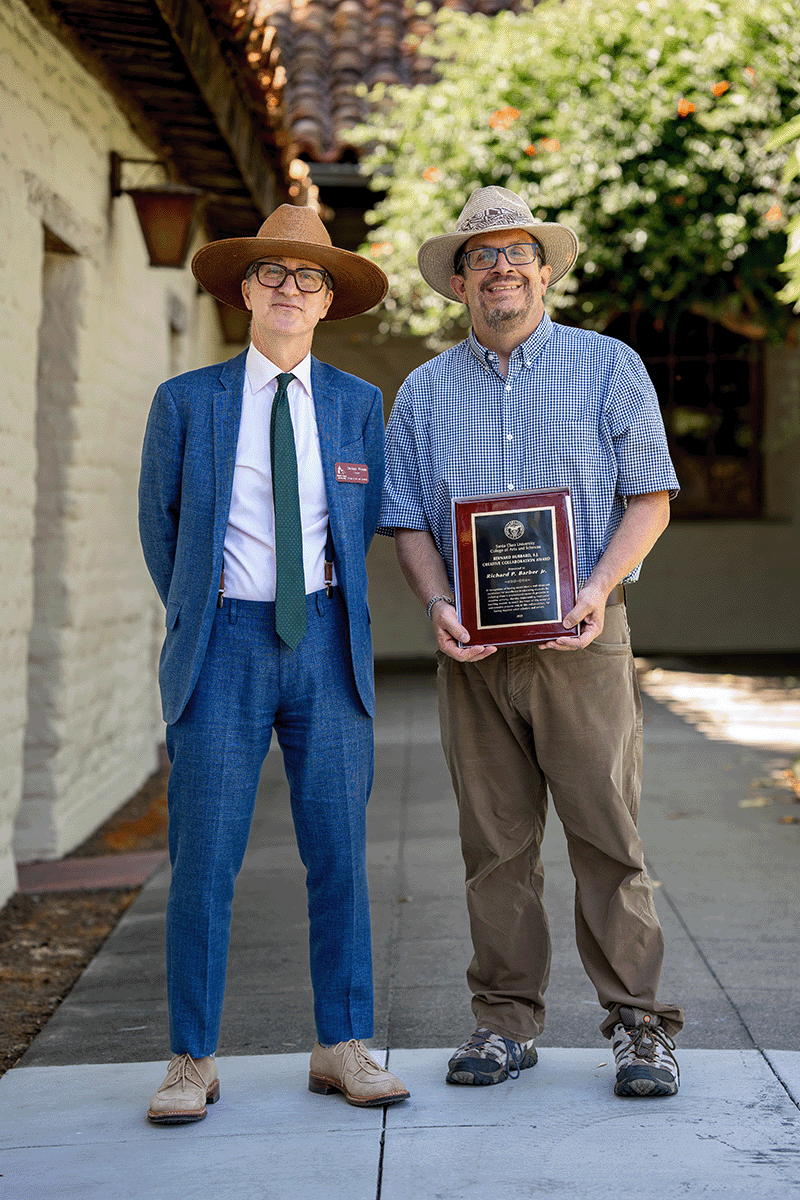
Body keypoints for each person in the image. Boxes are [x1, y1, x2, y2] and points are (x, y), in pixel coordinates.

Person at [379, 185, 684, 1098]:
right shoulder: (426, 392)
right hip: (470, 652)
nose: (500, 268)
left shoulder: (609, 367)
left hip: (581, 640)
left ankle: (639, 1025)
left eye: (517, 252)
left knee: (607, 834)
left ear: (544, 270)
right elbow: (406, 522)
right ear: (460, 280)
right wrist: (437, 604)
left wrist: (594, 589)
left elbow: (651, 497)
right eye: (482, 256)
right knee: (494, 845)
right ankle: (504, 1023)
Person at [139, 204, 409, 1123]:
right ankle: (191, 1059)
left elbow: (362, 524)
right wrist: (198, 616)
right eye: (274, 275)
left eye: (310, 277)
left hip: (328, 643)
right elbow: (160, 528)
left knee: (338, 854)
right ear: (245, 290)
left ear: (328, 300)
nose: (290, 289)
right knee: (204, 858)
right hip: (223, 648)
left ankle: (342, 1045)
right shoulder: (187, 402)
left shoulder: (356, 406)